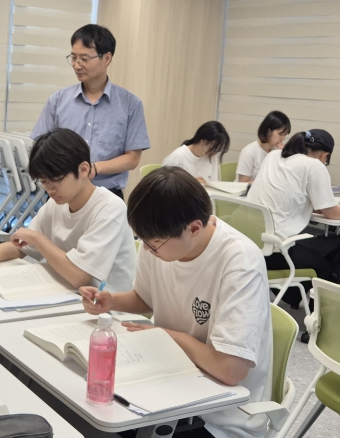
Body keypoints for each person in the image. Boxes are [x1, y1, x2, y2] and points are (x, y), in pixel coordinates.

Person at [81, 167, 272, 438]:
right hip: (167, 382)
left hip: (218, 416)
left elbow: (230, 369)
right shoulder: (161, 242)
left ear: (193, 228)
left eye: (153, 244)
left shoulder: (240, 262)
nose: (147, 250)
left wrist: (166, 336)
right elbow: (147, 298)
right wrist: (111, 301)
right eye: (142, 241)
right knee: (86, 411)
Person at [0, 128, 136, 292]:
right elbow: (23, 247)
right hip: (65, 292)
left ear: (83, 169)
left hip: (105, 305)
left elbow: (79, 276)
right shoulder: (57, 203)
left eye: (55, 180)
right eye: (43, 182)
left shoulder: (109, 209)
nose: (49, 189)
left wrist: (36, 238)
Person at [30, 24, 150, 200]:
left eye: (84, 59)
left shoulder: (130, 104)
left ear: (107, 58)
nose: (77, 65)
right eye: (73, 58)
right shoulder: (58, 101)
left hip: (107, 196)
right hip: (62, 195)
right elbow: (40, 147)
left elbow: (132, 158)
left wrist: (95, 168)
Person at [248, 130, 340, 304]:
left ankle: (293, 298)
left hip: (250, 244)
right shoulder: (314, 166)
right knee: (325, 266)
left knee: (316, 250)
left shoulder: (273, 155)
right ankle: (317, 317)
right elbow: (332, 213)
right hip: (275, 251)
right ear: (325, 155)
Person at [162, 121, 230, 183]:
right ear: (203, 141)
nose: (216, 152)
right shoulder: (177, 157)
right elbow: (166, 187)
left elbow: (215, 184)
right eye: (215, 147)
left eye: (220, 149)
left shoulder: (212, 157)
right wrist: (192, 184)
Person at [236, 111, 291, 183]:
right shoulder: (249, 151)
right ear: (268, 131)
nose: (283, 138)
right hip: (247, 190)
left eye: (285, 135)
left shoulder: (276, 150)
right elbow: (243, 182)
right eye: (280, 134)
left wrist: (285, 155)